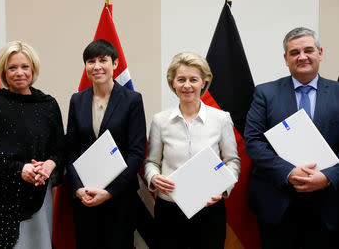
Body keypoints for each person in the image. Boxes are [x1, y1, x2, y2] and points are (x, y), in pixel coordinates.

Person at [244, 27, 339, 249]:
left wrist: (327, 176)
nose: (302, 56)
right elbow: (254, 142)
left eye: (308, 50)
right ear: (286, 59)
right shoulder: (265, 93)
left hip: (329, 206)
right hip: (277, 205)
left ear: (320, 53)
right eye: (294, 52)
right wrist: (289, 172)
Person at [0, 41, 65, 248]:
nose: (19, 73)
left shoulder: (48, 105)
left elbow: (60, 150)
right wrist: (19, 170)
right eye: (12, 67)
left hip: (40, 196)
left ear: (33, 69)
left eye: (24, 67)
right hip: (0, 204)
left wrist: (50, 165)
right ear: (4, 70)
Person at [144, 52, 241, 249]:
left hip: (209, 209)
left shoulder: (221, 119)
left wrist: (223, 188)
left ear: (203, 82)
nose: (187, 85)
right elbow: (151, 162)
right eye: (181, 79)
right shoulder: (160, 121)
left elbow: (232, 161)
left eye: (193, 79)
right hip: (169, 210)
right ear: (173, 83)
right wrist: (153, 178)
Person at [66, 39, 146, 249]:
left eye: (103, 60)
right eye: (91, 61)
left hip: (120, 198)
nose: (97, 66)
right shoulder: (77, 100)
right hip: (86, 196)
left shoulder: (132, 100)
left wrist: (110, 191)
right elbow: (71, 149)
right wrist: (77, 189)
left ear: (115, 64)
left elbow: (136, 152)